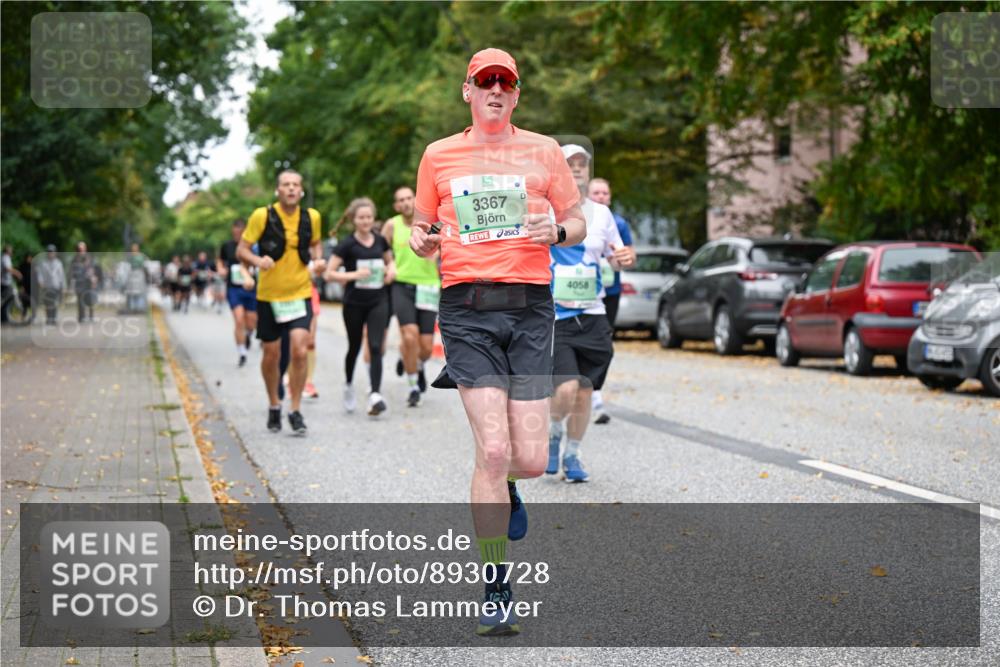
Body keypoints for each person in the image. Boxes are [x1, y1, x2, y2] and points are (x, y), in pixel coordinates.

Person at [409, 48, 585, 636]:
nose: (494, 92)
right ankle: (495, 586)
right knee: (491, 449)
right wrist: (422, 241)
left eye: (504, 85)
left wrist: (555, 230)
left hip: (531, 307)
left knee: (530, 460)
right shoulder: (438, 155)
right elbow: (421, 227)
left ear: (516, 94)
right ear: (467, 91)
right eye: (484, 83)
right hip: (467, 309)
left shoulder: (545, 151)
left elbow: (577, 220)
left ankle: (509, 482)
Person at [547, 146, 633, 483]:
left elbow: (617, 256)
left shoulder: (602, 214)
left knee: (584, 390)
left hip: (594, 313)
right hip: (556, 315)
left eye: (583, 164)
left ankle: (573, 454)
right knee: (566, 389)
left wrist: (623, 258)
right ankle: (554, 431)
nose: (578, 169)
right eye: (571, 165)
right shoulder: (544, 210)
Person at [237, 169, 325, 435]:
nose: (290, 189)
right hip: (269, 297)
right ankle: (274, 403)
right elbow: (242, 250)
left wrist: (318, 261)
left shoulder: (312, 217)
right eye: (285, 185)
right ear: (278, 190)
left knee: (300, 350)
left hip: (299, 293)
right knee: (271, 354)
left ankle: (295, 409)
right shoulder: (262, 216)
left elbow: (316, 245)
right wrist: (257, 261)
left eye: (295, 185)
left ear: (301, 191)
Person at [323, 197, 396, 416]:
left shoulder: (380, 241)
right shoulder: (347, 244)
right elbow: (328, 273)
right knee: (354, 347)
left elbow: (389, 261)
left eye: (369, 217)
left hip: (378, 300)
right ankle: (348, 384)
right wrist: (353, 274)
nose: (365, 221)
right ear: (354, 220)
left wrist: (391, 270)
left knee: (375, 346)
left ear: (373, 219)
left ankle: (375, 393)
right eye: (361, 218)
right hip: (354, 302)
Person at [383, 185, 440, 407]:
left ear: (415, 200)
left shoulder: (432, 223)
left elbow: (448, 246)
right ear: (397, 205)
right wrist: (389, 265)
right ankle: (413, 385)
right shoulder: (391, 225)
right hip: (402, 285)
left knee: (425, 347)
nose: (406, 203)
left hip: (428, 286)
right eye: (401, 200)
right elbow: (381, 247)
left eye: (409, 198)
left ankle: (416, 362)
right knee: (409, 336)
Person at [586, 177, 636, 424]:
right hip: (579, 292)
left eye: (605, 193)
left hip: (611, 291)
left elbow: (628, 252)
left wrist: (626, 257)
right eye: (597, 192)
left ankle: (594, 390)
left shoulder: (617, 222)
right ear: (587, 194)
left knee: (604, 342)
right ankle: (582, 390)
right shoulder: (577, 217)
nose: (601, 196)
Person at [218, 219, 258, 367]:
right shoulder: (227, 246)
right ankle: (242, 352)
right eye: (235, 232)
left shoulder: (253, 247)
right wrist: (221, 268)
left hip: (251, 288)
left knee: (251, 322)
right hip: (234, 288)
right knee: (239, 319)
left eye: (241, 233)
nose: (238, 235)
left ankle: (248, 335)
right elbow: (220, 261)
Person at [36, 244, 66, 325]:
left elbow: (61, 275)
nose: (51, 253)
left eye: (52, 252)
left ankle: (53, 318)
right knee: (48, 303)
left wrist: (63, 286)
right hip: (46, 286)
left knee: (54, 302)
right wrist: (40, 282)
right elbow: (40, 274)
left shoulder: (58, 263)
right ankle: (49, 318)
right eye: (49, 252)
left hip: (55, 286)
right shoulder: (43, 263)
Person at [70, 241, 97, 322]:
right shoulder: (75, 259)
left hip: (88, 282)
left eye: (83, 248)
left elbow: (92, 269)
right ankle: (81, 317)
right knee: (80, 300)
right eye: (80, 248)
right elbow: (72, 272)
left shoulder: (89, 257)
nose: (81, 250)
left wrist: (93, 279)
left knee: (90, 299)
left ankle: (91, 317)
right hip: (79, 282)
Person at [1, 245, 23, 323]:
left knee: (6, 300)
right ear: (7, 251)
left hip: (5, 282)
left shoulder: (3, 257)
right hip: (5, 283)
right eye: (10, 250)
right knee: (6, 299)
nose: (12, 251)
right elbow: (7, 268)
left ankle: (4, 318)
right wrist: (17, 273)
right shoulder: (5, 258)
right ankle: (4, 317)